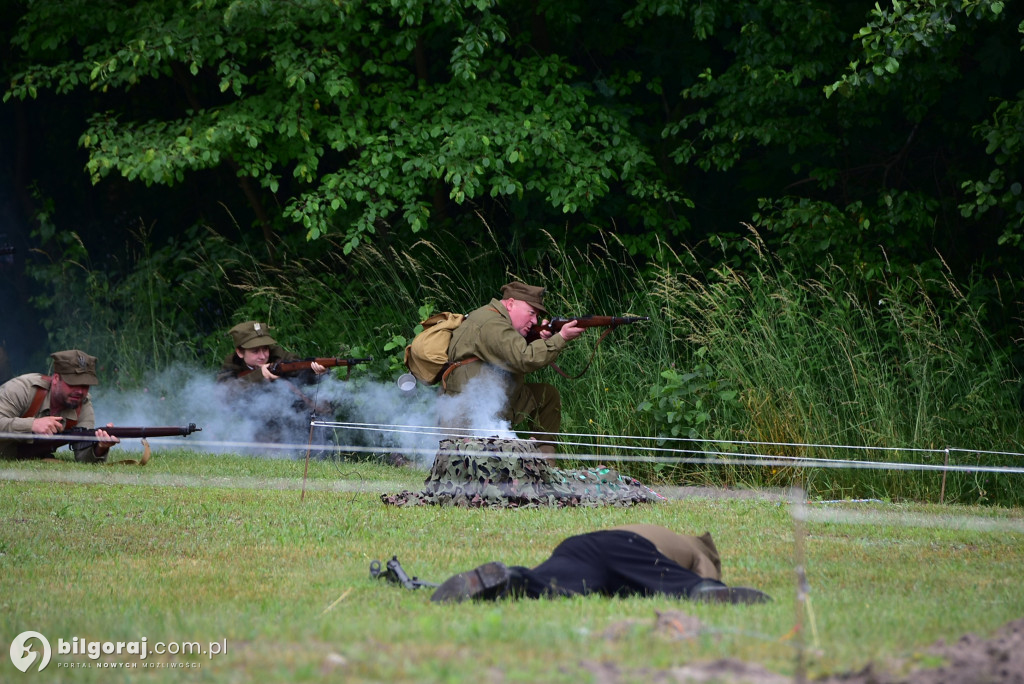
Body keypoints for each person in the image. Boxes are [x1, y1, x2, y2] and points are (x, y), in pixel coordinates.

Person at [430, 524, 772, 605]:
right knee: (683, 586)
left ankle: (509, 580)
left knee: (548, 584)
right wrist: (714, 586)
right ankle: (706, 594)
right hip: (627, 548)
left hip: (579, 545)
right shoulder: (695, 548)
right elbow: (699, 571)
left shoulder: (662, 532)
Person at [442, 282, 585, 457]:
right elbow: (524, 358)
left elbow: (508, 351)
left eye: (537, 315)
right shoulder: (493, 324)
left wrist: (540, 338)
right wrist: (561, 338)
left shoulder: (489, 317)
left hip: (489, 400)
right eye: (531, 312)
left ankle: (545, 463)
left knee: (547, 395)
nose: (534, 320)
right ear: (510, 304)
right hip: (472, 413)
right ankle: (532, 466)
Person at [216, 320, 331, 452]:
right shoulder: (232, 364)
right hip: (250, 423)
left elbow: (299, 369)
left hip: (287, 416)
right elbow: (224, 394)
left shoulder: (278, 355)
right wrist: (259, 376)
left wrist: (317, 372)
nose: (263, 355)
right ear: (240, 353)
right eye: (255, 351)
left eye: (265, 349)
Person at [0, 349, 120, 463]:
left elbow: (83, 457)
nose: (80, 391)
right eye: (73, 384)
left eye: (85, 385)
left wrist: (100, 447)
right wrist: (32, 425)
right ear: (56, 378)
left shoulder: (82, 404)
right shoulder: (22, 389)